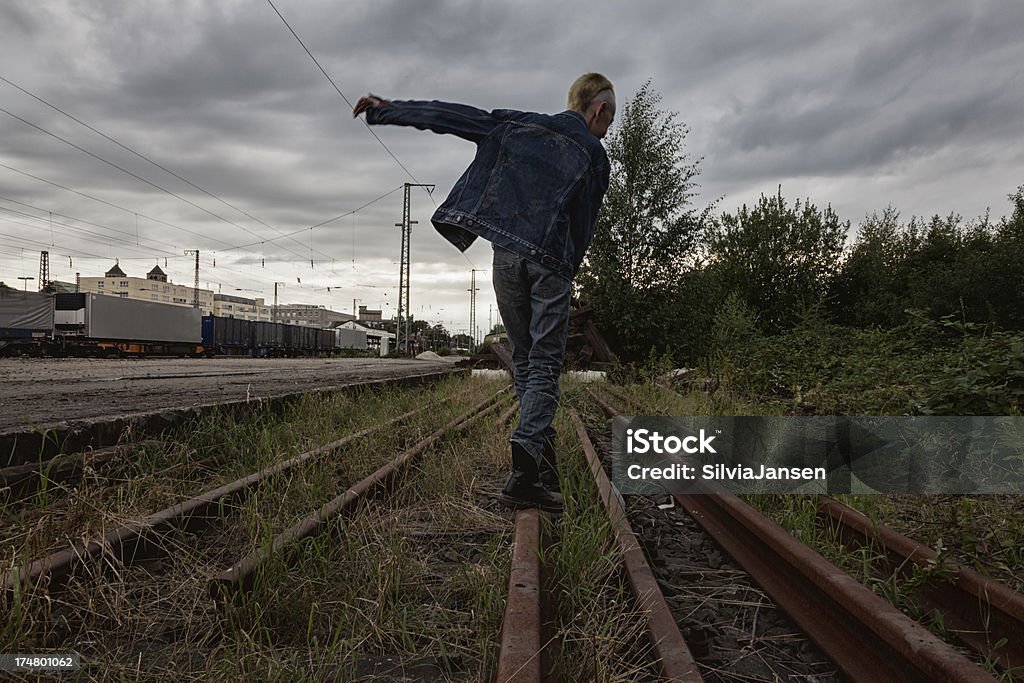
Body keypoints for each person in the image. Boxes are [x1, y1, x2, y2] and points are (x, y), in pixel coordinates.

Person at [353, 73, 614, 512]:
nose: (607, 128)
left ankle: (539, 457)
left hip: (505, 258)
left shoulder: (517, 125)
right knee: (547, 363)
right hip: (551, 262)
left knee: (527, 360)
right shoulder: (592, 154)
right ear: (599, 109)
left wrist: (387, 110)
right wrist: (567, 269)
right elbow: (583, 226)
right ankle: (524, 464)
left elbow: (452, 117)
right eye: (610, 120)